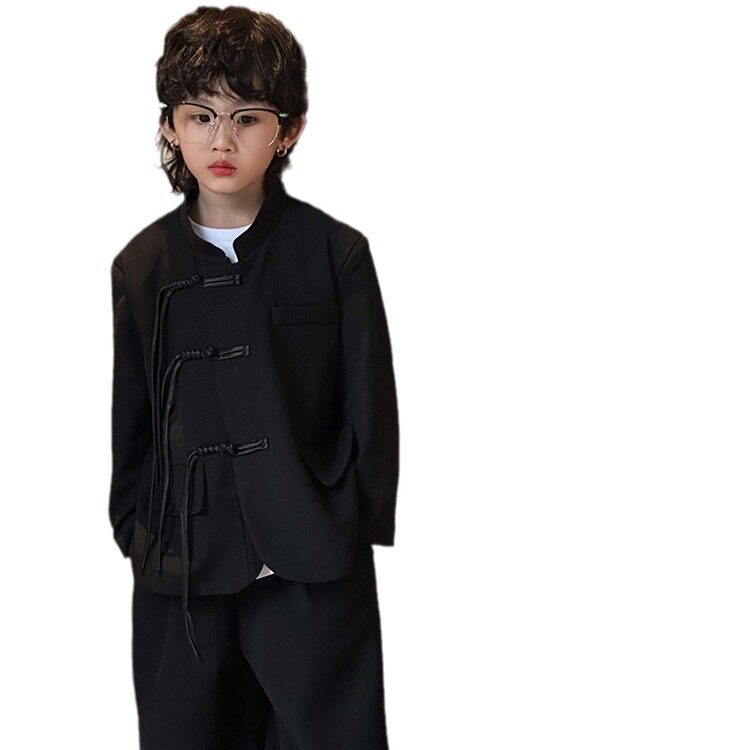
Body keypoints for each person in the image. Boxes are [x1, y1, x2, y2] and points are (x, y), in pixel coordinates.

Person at [108, 7, 399, 748]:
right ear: (170, 126)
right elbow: (132, 417)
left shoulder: (335, 254)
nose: (222, 140)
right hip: (183, 568)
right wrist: (135, 531)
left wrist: (351, 522)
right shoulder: (142, 266)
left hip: (310, 560)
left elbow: (370, 405)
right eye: (200, 116)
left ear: (288, 130)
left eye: (247, 117)